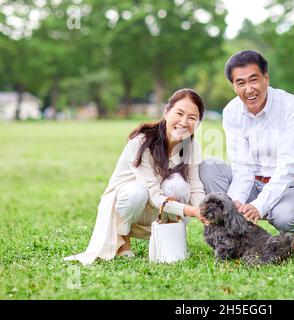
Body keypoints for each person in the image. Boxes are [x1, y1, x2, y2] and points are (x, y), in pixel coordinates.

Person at [65, 88, 207, 265]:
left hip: (157, 210)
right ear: (166, 112)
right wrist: (190, 211)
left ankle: (168, 239)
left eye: (192, 118)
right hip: (129, 204)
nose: (184, 122)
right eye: (179, 113)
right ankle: (123, 242)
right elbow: (154, 195)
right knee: (137, 191)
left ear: (198, 123)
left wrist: (204, 209)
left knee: (179, 184)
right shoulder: (143, 141)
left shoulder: (192, 147)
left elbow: (195, 185)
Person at [199, 50, 294, 253]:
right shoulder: (232, 111)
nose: (249, 89)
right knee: (209, 168)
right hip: (254, 182)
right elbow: (242, 165)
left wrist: (260, 206)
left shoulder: (292, 106)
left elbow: (288, 165)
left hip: (293, 183)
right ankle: (234, 234)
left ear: (266, 78)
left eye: (254, 80)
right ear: (233, 85)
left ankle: (289, 235)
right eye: (241, 83)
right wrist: (234, 202)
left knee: (285, 218)